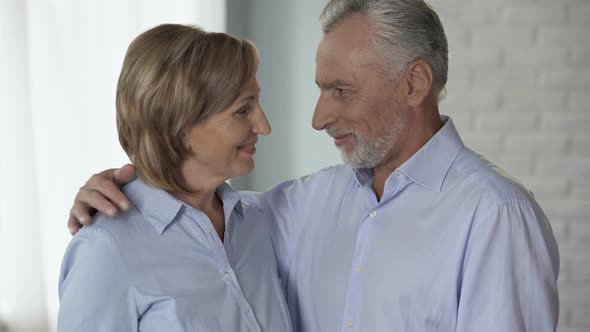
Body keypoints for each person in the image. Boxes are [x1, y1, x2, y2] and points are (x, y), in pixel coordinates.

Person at [68, 1, 560, 331]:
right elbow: (180, 213)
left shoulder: (495, 215)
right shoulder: (295, 208)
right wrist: (118, 188)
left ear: (414, 84)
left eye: (340, 90)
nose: (317, 117)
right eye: (243, 109)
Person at [58, 24, 292, 331]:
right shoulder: (105, 249)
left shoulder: (260, 222)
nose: (264, 125)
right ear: (178, 129)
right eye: (242, 110)